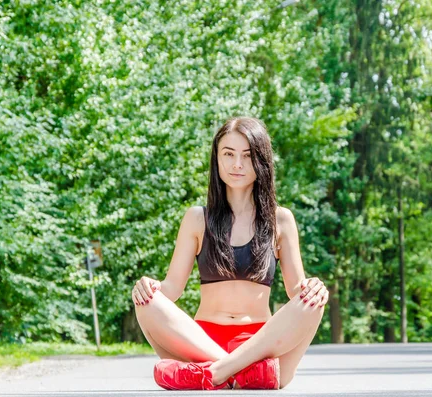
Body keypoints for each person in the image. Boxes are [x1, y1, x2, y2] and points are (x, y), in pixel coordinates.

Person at [131, 116, 328, 390]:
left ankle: (213, 374)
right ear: (217, 159)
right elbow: (171, 289)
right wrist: (149, 287)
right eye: (229, 154)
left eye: (247, 156)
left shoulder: (280, 220)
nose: (237, 164)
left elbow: (297, 290)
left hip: (262, 345)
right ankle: (236, 372)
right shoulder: (197, 218)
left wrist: (313, 288)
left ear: (262, 161)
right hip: (201, 342)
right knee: (146, 301)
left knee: (313, 301)